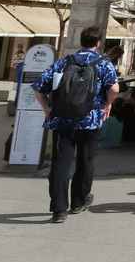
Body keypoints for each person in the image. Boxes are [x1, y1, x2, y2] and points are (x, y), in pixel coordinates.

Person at [31, 26, 120, 222]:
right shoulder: (103, 63)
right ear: (98, 43)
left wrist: (47, 108)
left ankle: (59, 209)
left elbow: (39, 87)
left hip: (62, 120)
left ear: (81, 41)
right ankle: (79, 202)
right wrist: (107, 104)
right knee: (85, 161)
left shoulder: (65, 61)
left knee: (60, 163)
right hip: (90, 120)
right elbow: (114, 88)